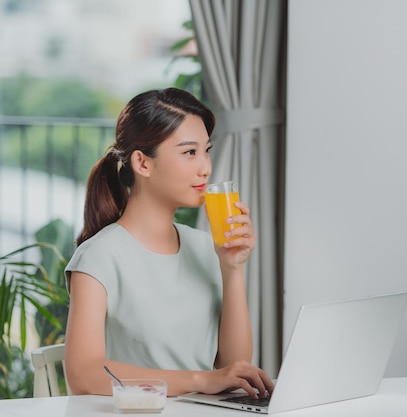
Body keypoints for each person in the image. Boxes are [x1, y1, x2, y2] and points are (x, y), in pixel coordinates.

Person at [63, 88, 274, 398]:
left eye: (206, 150)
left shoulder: (205, 247)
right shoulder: (99, 257)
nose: (206, 167)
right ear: (143, 163)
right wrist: (202, 381)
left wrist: (233, 269)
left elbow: (233, 367)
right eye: (190, 152)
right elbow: (84, 375)